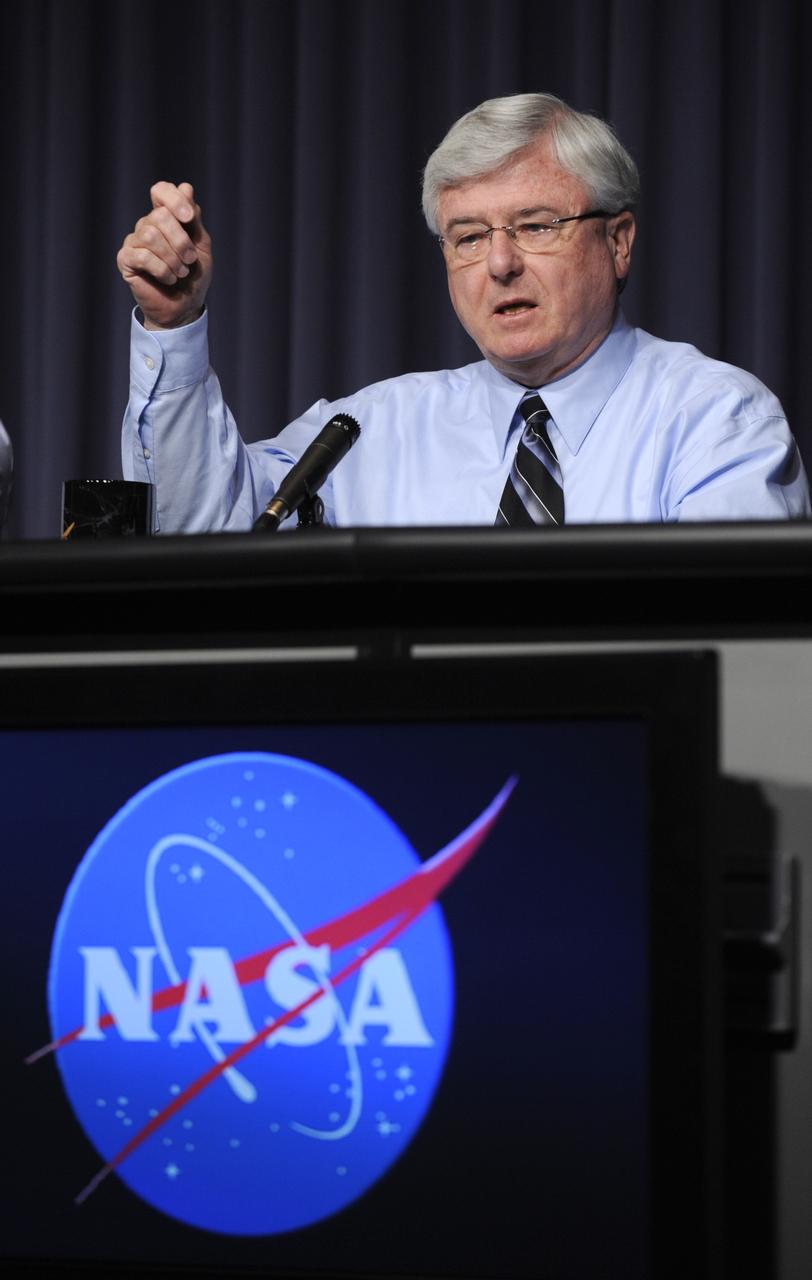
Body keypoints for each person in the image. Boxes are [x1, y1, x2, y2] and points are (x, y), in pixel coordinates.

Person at [117, 92, 810, 532]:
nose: (500, 264)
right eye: (470, 237)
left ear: (618, 240)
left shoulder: (715, 420)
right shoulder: (367, 433)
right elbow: (207, 533)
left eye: (536, 227)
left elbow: (733, 654)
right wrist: (175, 326)